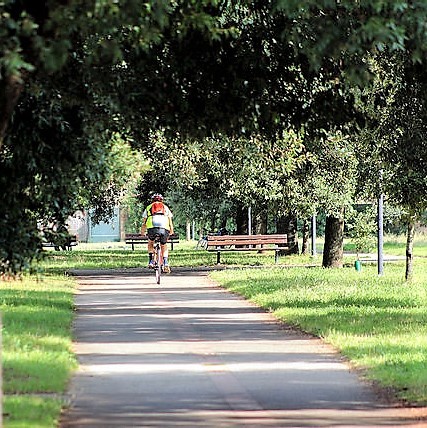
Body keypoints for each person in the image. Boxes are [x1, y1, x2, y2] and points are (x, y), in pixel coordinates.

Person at [141, 193, 174, 273]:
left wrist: (142, 231)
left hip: (152, 228)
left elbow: (144, 222)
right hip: (164, 228)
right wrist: (171, 230)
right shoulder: (165, 207)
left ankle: (151, 261)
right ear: (161, 200)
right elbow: (170, 222)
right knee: (164, 245)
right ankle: (166, 263)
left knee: (150, 242)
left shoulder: (148, 207)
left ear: (152, 200)